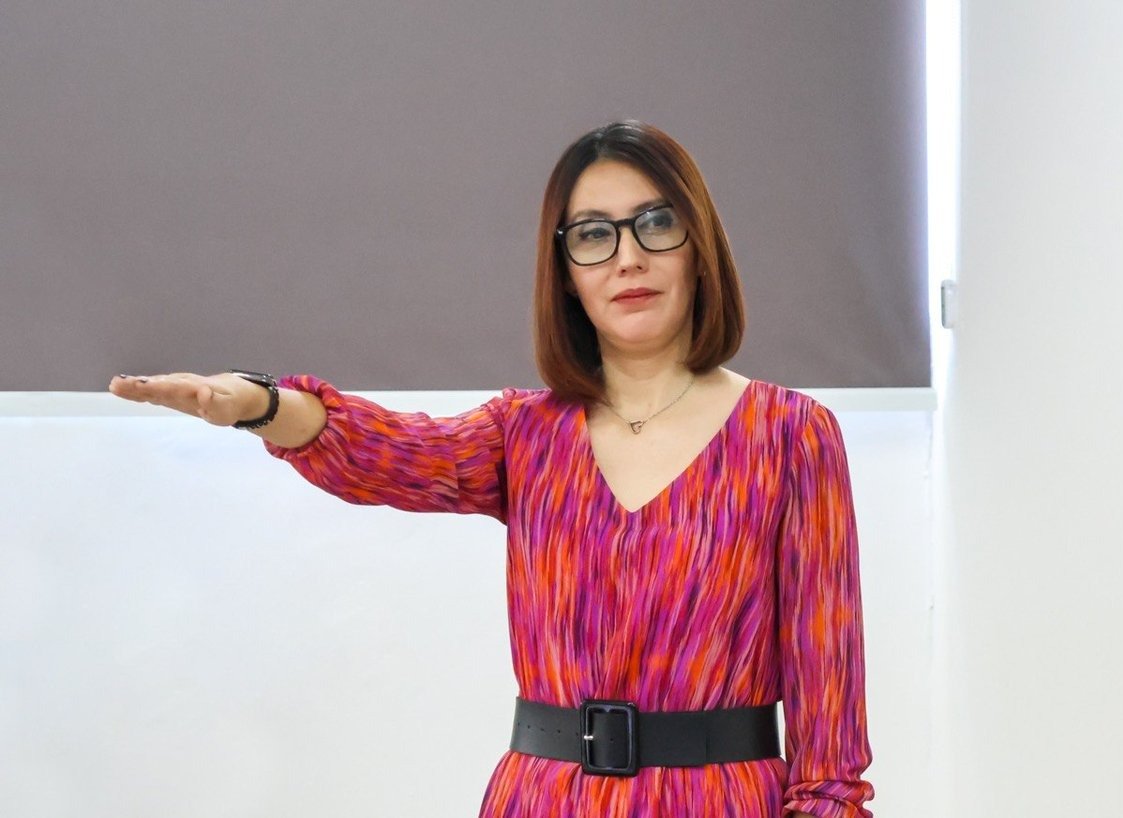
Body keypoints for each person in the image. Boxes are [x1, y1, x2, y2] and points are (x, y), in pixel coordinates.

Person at [108, 120, 874, 818]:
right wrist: (262, 404)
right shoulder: (526, 434)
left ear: (699, 245)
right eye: (593, 235)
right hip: (542, 801)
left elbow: (830, 721)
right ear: (564, 272)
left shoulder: (790, 436)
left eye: (656, 223)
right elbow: (388, 452)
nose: (628, 257)